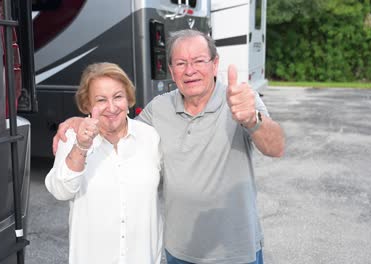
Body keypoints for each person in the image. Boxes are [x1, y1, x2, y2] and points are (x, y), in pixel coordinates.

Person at [53, 29, 285, 264]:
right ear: (172, 72)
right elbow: (120, 128)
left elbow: (276, 147)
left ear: (215, 64)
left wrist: (252, 119)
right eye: (181, 63)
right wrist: (79, 121)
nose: (190, 70)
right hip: (179, 252)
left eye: (198, 61)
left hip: (235, 250)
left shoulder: (240, 100)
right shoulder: (158, 109)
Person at [45, 62, 163, 264]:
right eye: (101, 100)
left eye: (118, 96)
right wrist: (81, 146)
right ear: (87, 105)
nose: (111, 107)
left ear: (128, 99)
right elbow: (61, 191)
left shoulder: (149, 137)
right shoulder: (72, 138)